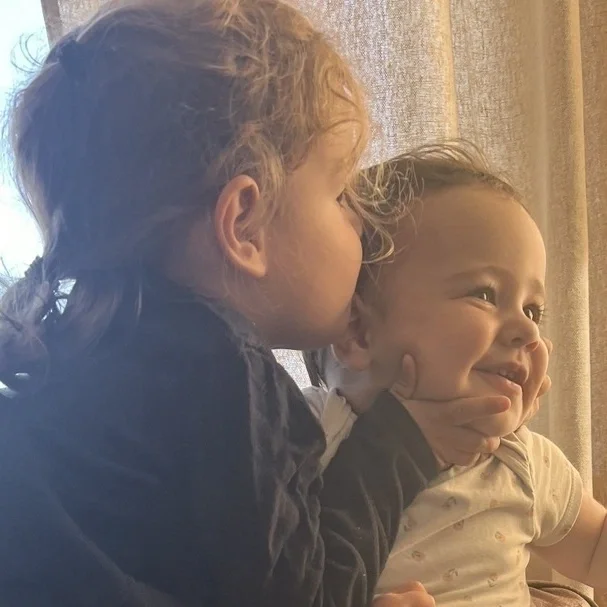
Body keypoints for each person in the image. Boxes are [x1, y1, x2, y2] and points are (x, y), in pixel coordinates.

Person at [0, 2, 510, 606]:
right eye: (340, 195)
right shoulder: (217, 372)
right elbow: (307, 598)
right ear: (244, 223)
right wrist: (408, 440)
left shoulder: (92, 356)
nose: (363, 226)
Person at [304, 143, 606, 606]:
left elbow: (594, 547)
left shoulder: (520, 458)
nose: (528, 329)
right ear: (360, 333)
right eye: (485, 294)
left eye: (533, 309)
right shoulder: (305, 439)